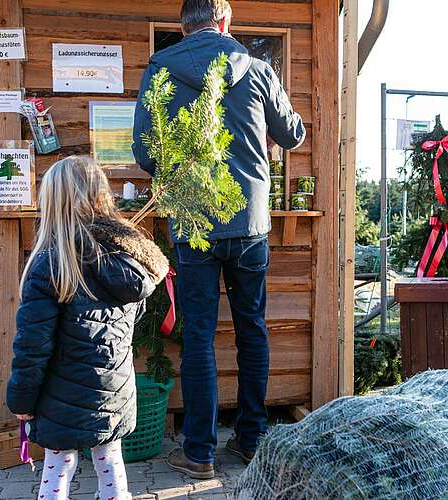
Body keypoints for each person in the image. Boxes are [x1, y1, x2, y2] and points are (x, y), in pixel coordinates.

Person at [132, 0, 306, 480]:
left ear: (182, 27)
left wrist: (178, 170)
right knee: (252, 329)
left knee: (200, 338)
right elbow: (292, 134)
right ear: (226, 22)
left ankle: (200, 454)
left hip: (194, 223)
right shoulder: (257, 67)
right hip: (250, 224)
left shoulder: (161, 68)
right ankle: (251, 440)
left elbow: (144, 149)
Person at [6, 156, 170, 500]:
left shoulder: (50, 263)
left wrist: (21, 399)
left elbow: (32, 346)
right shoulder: (127, 259)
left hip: (61, 394)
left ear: (51, 202)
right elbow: (130, 322)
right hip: (114, 389)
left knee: (59, 465)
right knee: (111, 462)